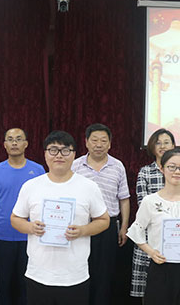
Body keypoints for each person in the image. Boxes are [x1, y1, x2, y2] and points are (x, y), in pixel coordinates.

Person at [11, 130, 109, 305]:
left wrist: (83, 230)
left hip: (74, 276)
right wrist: (31, 227)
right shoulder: (31, 186)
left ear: (74, 155)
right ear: (45, 154)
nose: (59, 155)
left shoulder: (88, 187)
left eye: (65, 150)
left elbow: (104, 220)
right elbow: (15, 219)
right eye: (53, 150)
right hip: (38, 274)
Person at [126, 149, 180, 305]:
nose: (177, 172)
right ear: (162, 168)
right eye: (172, 167)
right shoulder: (150, 201)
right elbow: (136, 231)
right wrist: (151, 252)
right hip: (160, 267)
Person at [0, 128, 46, 305]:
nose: (14, 143)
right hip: (1, 235)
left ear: (26, 144)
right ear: (4, 145)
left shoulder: (38, 170)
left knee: (26, 283)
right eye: (10, 139)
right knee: (2, 283)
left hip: (30, 236)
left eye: (19, 139)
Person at [71, 123, 130, 305]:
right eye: (94, 140)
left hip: (108, 226)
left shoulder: (117, 166)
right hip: (81, 226)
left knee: (105, 272)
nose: (99, 144)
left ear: (110, 144)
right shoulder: (75, 165)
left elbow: (124, 199)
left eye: (103, 141)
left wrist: (124, 227)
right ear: (86, 142)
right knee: (81, 268)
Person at [130, 128, 180, 298]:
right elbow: (142, 202)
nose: (162, 146)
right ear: (152, 147)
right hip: (150, 232)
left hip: (176, 234)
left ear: (173, 145)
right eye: (158, 143)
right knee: (148, 287)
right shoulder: (145, 171)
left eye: (166, 142)